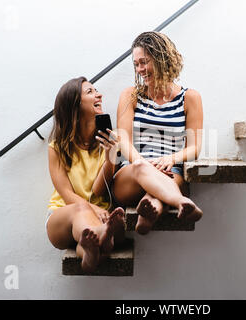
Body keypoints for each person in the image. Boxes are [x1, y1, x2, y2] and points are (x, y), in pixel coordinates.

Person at [112, 31, 204, 235]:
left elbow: (194, 148)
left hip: (170, 170)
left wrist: (172, 158)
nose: (140, 69)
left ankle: (149, 211)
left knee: (160, 190)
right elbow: (123, 141)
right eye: (136, 64)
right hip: (133, 172)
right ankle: (181, 202)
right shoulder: (130, 95)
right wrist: (143, 163)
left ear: (162, 59)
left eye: (144, 62)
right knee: (142, 170)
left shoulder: (190, 98)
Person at [46, 76, 125, 274]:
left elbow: (100, 189)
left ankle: (89, 256)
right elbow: (66, 194)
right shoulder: (57, 147)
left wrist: (110, 159)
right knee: (82, 210)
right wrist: (92, 208)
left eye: (96, 90)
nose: (99, 94)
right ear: (75, 105)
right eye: (90, 92)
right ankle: (101, 234)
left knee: (94, 242)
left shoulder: (111, 139)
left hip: (97, 218)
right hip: (63, 218)